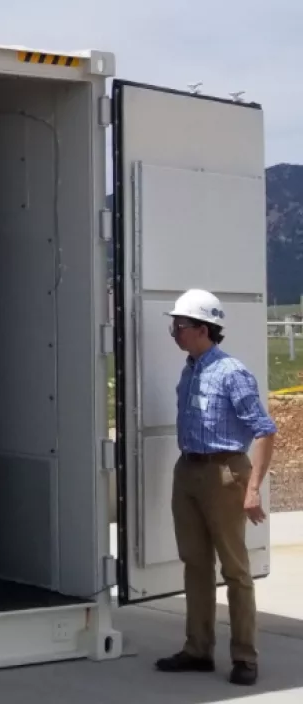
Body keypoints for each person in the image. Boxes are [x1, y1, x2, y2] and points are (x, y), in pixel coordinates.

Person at [155, 289, 276, 687]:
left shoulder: (231, 372)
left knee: (235, 570)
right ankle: (198, 649)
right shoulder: (190, 369)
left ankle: (245, 657)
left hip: (224, 473)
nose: (175, 332)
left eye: (181, 325)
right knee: (195, 563)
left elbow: (264, 430)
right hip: (188, 470)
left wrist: (252, 487)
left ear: (203, 329)